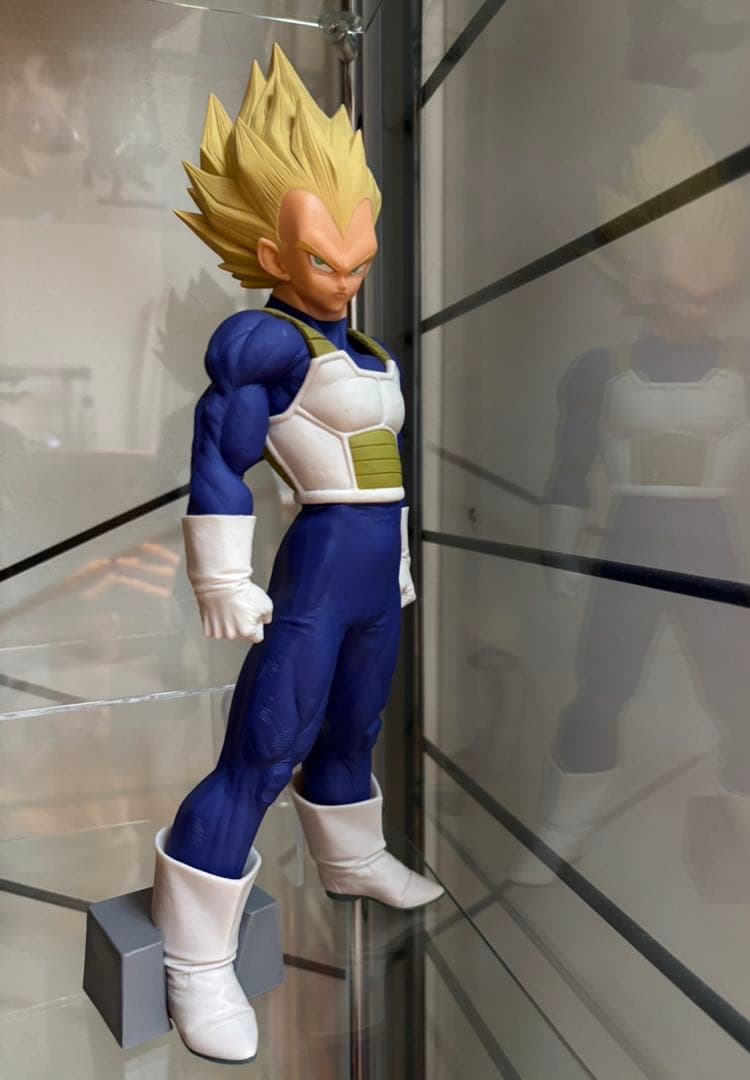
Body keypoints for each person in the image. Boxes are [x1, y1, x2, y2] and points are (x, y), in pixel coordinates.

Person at [150, 45, 443, 1065]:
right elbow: (219, 455)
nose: (348, 281)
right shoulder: (266, 346)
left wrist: (396, 564)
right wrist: (220, 575)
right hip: (316, 569)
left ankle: (351, 862)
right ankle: (195, 958)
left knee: (354, 727)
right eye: (325, 263)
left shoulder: (365, 349)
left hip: (371, 571)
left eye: (360, 259)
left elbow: (383, 471)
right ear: (272, 255)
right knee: (265, 749)